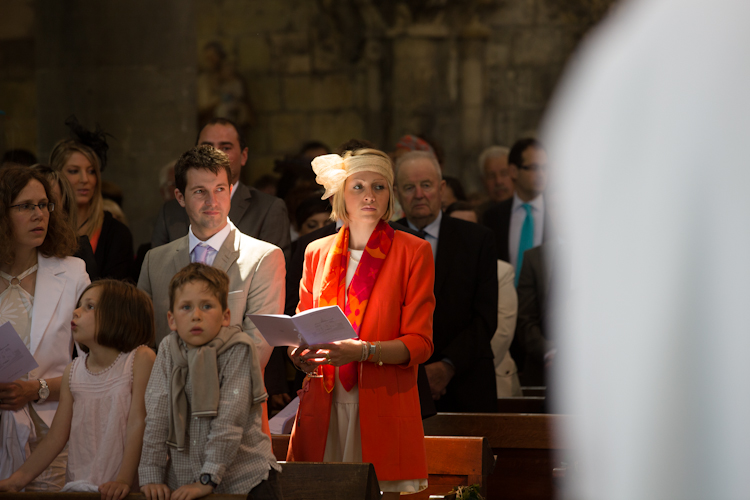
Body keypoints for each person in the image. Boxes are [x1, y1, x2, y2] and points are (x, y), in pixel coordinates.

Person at [286, 149, 435, 498]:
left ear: (390, 196)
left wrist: (365, 351)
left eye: (379, 186)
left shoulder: (413, 251)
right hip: (324, 400)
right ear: (341, 194)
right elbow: (302, 323)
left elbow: (421, 343)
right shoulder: (316, 251)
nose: (369, 195)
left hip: (381, 400)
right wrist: (298, 353)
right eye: (358, 186)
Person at [137, 145, 284, 433]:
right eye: (199, 191)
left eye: (219, 189)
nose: (211, 200)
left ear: (231, 190)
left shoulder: (264, 257)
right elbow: (143, 341)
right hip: (168, 415)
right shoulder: (156, 260)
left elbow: (256, 348)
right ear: (180, 196)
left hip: (236, 413)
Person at [0, 280, 155, 497]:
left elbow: (139, 422)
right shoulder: (73, 372)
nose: (76, 311)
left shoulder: (140, 359)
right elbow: (56, 437)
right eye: (80, 304)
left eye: (89, 306)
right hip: (80, 486)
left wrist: (123, 480)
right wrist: (16, 481)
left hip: (124, 489)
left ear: (120, 316)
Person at [139, 263, 282, 499]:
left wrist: (208, 478)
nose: (196, 315)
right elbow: (157, 415)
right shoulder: (167, 349)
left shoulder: (238, 349)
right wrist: (151, 474)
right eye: (186, 307)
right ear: (172, 319)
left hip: (245, 479)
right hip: (184, 478)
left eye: (207, 306)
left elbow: (229, 420)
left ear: (226, 316)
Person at [0, 166, 90, 489]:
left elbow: (94, 367)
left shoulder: (73, 273)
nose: (39, 214)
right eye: (26, 206)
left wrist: (35, 389)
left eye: (44, 205)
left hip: (51, 431)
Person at [395, 151, 499, 412]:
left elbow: (485, 317)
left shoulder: (477, 239)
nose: (419, 194)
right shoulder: (385, 240)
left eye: (426, 185)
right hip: (400, 381)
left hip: (467, 382)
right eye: (409, 187)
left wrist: (447, 366)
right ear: (396, 193)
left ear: (441, 189)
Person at [150, 118, 291, 261]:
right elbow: (158, 269)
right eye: (207, 148)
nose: (215, 154)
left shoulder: (269, 209)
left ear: (244, 156)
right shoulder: (170, 211)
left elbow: (274, 270)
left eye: (226, 148)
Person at [50, 139, 133, 280]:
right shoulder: (45, 226)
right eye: (74, 171)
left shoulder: (117, 233)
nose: (85, 179)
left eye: (91, 171)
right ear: (57, 176)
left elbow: (117, 297)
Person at [482, 138, 549, 283]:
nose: (541, 174)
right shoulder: (493, 216)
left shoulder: (560, 215)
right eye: (533, 167)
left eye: (545, 167)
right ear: (513, 171)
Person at [31, 164, 99, 281]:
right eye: (27, 205)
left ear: (65, 210)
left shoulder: (79, 255)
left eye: (46, 203)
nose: (39, 213)